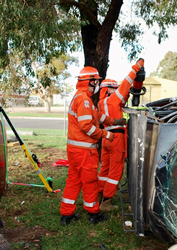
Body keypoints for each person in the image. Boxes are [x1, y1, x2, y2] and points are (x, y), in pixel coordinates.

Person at [60, 66, 126, 225]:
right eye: (95, 81)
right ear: (89, 81)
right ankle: (93, 214)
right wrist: (106, 134)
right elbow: (86, 126)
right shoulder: (84, 100)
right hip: (84, 152)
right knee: (90, 182)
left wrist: (114, 122)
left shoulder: (79, 97)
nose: (97, 84)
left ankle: (66, 214)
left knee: (73, 181)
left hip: (75, 151)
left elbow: (97, 116)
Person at [97, 59, 145, 212]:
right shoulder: (113, 98)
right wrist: (137, 68)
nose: (117, 90)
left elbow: (122, 101)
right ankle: (107, 202)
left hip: (105, 138)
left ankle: (99, 195)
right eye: (114, 88)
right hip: (116, 138)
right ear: (109, 89)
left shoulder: (101, 103)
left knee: (104, 169)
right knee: (115, 171)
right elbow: (126, 83)